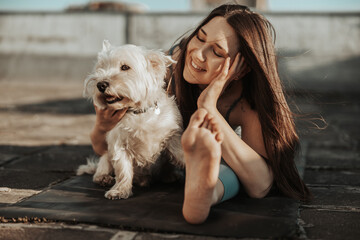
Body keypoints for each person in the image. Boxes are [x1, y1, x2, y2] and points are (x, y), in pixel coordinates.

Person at [90, 4, 312, 225]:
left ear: (241, 67)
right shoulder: (170, 64)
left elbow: (260, 185)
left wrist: (208, 108)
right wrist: (102, 126)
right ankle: (203, 186)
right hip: (173, 163)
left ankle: (205, 193)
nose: (198, 54)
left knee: (229, 169)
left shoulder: (246, 105)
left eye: (217, 51)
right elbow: (102, 147)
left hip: (219, 161)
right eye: (200, 37)